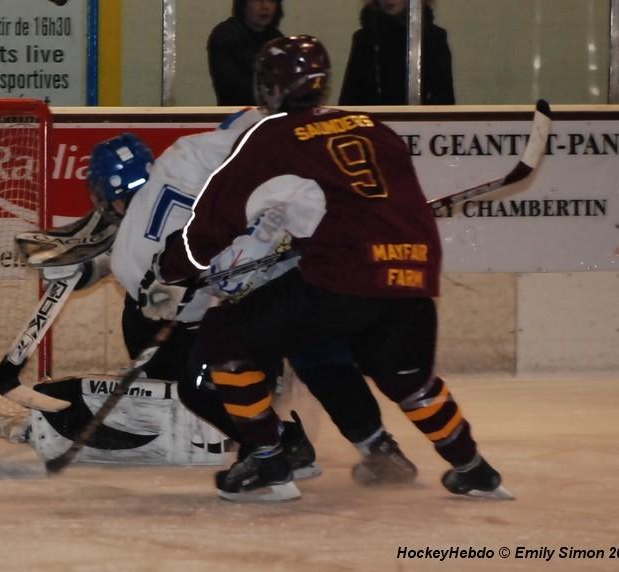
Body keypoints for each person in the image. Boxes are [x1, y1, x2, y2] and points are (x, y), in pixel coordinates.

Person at [143, 34, 511, 502]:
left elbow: (217, 217)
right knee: (407, 378)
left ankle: (266, 461)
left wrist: (175, 265)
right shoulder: (374, 127)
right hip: (413, 275)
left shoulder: (273, 137)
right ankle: (473, 467)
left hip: (343, 277)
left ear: (272, 87)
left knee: (225, 337)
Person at [34, 123, 416, 484]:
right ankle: (379, 448)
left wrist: (201, 284)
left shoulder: (129, 257)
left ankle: (278, 445)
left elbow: (178, 314)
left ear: (110, 199)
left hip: (245, 315)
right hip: (293, 279)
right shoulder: (187, 153)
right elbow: (261, 145)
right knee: (316, 351)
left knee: (197, 380)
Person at [339, 0, 455, 105]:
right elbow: (349, 100)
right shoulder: (364, 39)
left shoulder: (433, 38)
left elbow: (444, 102)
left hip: (421, 126)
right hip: (373, 126)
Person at [207, 0, 284, 106]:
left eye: (271, 1)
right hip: (235, 115)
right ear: (243, 4)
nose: (265, 6)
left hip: (272, 115)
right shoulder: (225, 36)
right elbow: (231, 88)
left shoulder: (277, 39)